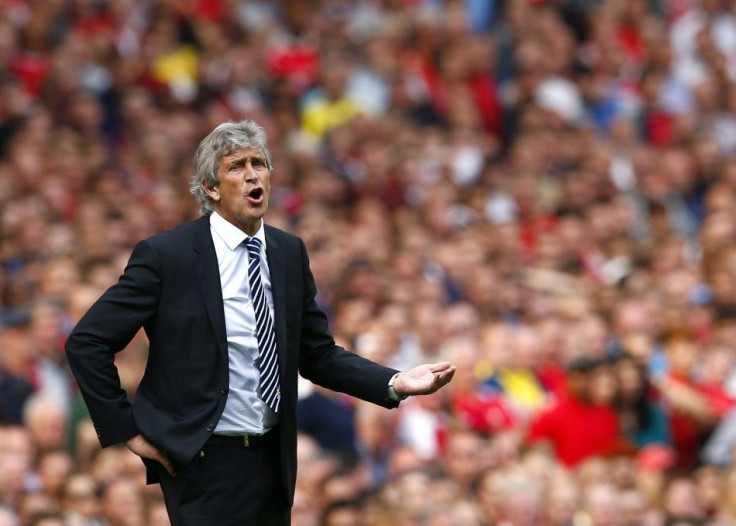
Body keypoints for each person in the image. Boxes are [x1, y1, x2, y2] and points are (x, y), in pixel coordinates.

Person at [64, 119, 456, 525]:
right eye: (237, 166)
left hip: (273, 462)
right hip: (202, 463)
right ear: (211, 188)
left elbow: (317, 355)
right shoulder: (168, 255)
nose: (253, 174)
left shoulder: (288, 252)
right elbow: (88, 341)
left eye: (260, 163)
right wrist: (126, 430)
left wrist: (394, 382)